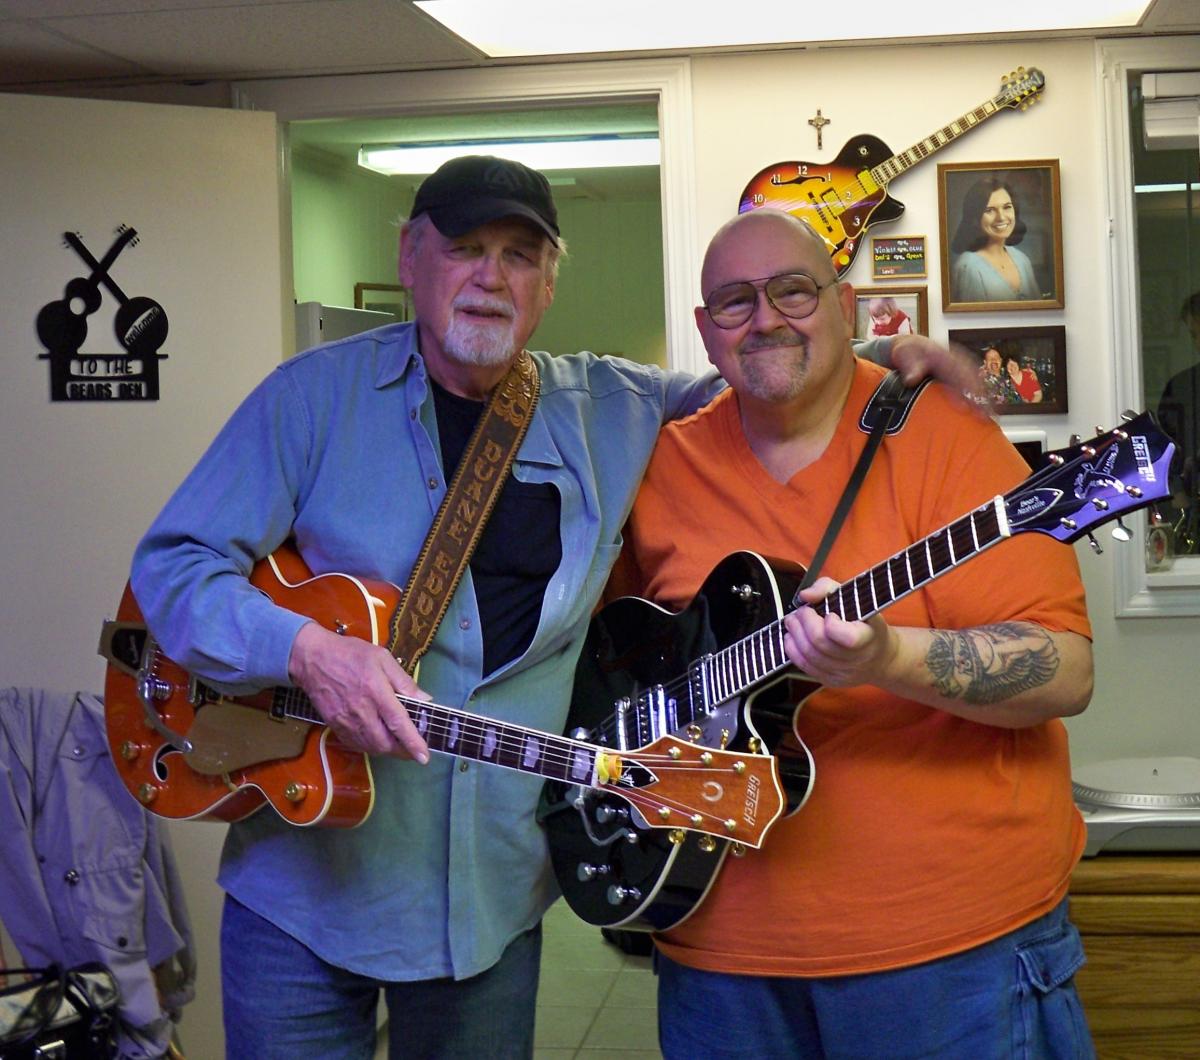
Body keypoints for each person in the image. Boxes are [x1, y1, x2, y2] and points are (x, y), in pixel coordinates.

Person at [128, 157, 970, 1059]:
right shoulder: (308, 398)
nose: (492, 277)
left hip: (488, 905)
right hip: (302, 888)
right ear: (410, 258)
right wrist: (305, 651)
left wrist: (877, 356)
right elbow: (173, 568)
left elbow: (756, 369)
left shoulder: (615, 407)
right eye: (465, 248)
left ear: (550, 283)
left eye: (520, 256)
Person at [607, 209, 1096, 1059]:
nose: (766, 318)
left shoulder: (949, 435)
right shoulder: (661, 462)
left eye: (793, 291)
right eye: (735, 301)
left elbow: (1065, 671)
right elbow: (614, 667)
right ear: (706, 329)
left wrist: (886, 656)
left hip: (953, 954)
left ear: (844, 305)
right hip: (716, 957)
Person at [950, 176, 1042, 303]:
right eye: (989, 210)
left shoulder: (1022, 259)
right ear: (975, 217)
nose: (1001, 217)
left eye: (1007, 207)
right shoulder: (967, 267)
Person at [1157, 289, 1200, 551]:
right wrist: (1177, 492)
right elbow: (1163, 449)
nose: (1198, 342)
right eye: (1194, 335)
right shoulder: (1182, 387)